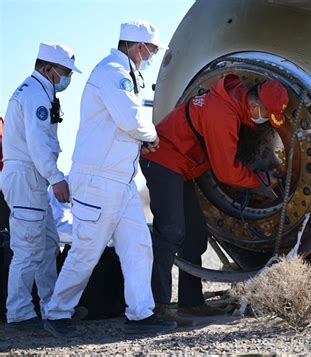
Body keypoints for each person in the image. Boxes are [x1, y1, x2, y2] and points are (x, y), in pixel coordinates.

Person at [43, 20, 176, 337]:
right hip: (98, 180)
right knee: (87, 250)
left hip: (120, 181)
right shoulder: (112, 73)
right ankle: (57, 313)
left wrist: (143, 133)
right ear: (136, 45)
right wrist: (150, 135)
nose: (152, 55)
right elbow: (131, 119)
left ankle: (140, 314)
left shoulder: (126, 75)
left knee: (138, 246)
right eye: (152, 49)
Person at [140, 74, 289, 321]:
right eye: (265, 115)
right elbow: (226, 172)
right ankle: (158, 307)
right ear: (254, 106)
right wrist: (261, 180)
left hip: (182, 166)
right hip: (164, 161)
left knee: (195, 235)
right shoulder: (223, 115)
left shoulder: (233, 102)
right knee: (171, 232)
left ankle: (191, 303)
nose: (263, 121)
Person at [1, 43, 81, 330]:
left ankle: (51, 307)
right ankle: (20, 313)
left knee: (47, 245)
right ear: (48, 69)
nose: (67, 78)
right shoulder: (35, 94)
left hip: (30, 178)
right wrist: (56, 177)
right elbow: (38, 142)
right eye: (65, 71)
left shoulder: (36, 91)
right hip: (27, 176)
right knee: (27, 249)